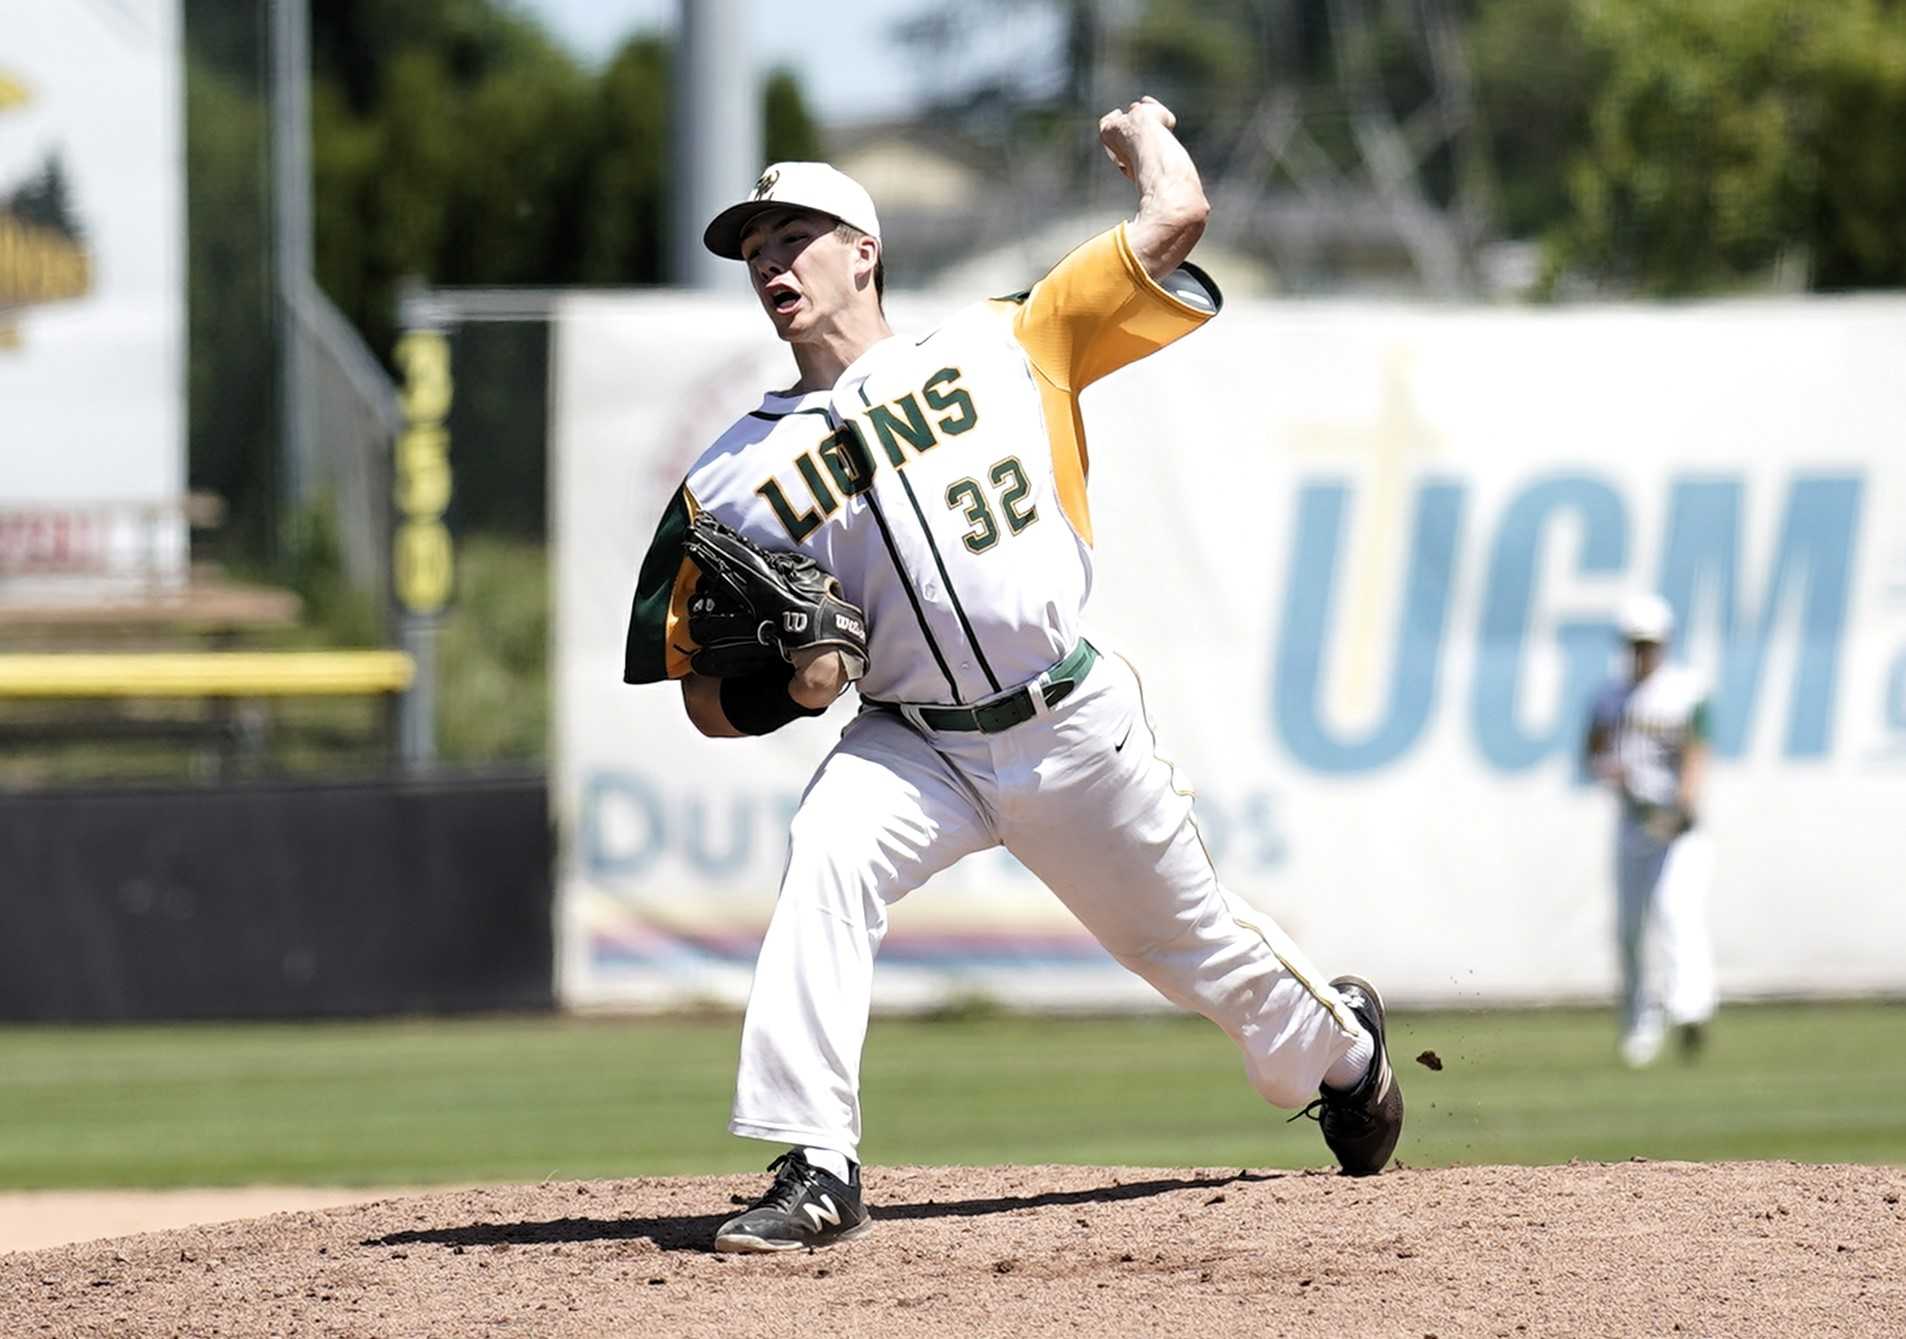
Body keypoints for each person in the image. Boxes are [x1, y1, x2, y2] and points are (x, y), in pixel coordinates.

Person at [622, 97, 1403, 1254]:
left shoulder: (1007, 341)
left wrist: (1143, 138)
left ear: (863, 253)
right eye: (753, 247)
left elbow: (1177, 213)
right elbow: (697, 692)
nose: (769, 261)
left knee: (1186, 951)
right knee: (828, 851)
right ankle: (816, 1162)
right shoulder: (731, 477)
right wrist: (791, 688)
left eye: (793, 237)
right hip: (912, 743)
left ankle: (1345, 1051)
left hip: (1068, 717)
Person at [1584, 592, 1719, 1068]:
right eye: (1636, 643)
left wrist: (1681, 807)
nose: (1643, 652)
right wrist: (1612, 774)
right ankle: (1641, 1020)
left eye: (1650, 643)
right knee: (1629, 929)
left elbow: (1697, 752)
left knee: (1676, 909)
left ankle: (1690, 1007)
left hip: (1676, 826)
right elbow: (1593, 752)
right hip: (1632, 824)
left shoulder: (1684, 690)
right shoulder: (1610, 696)